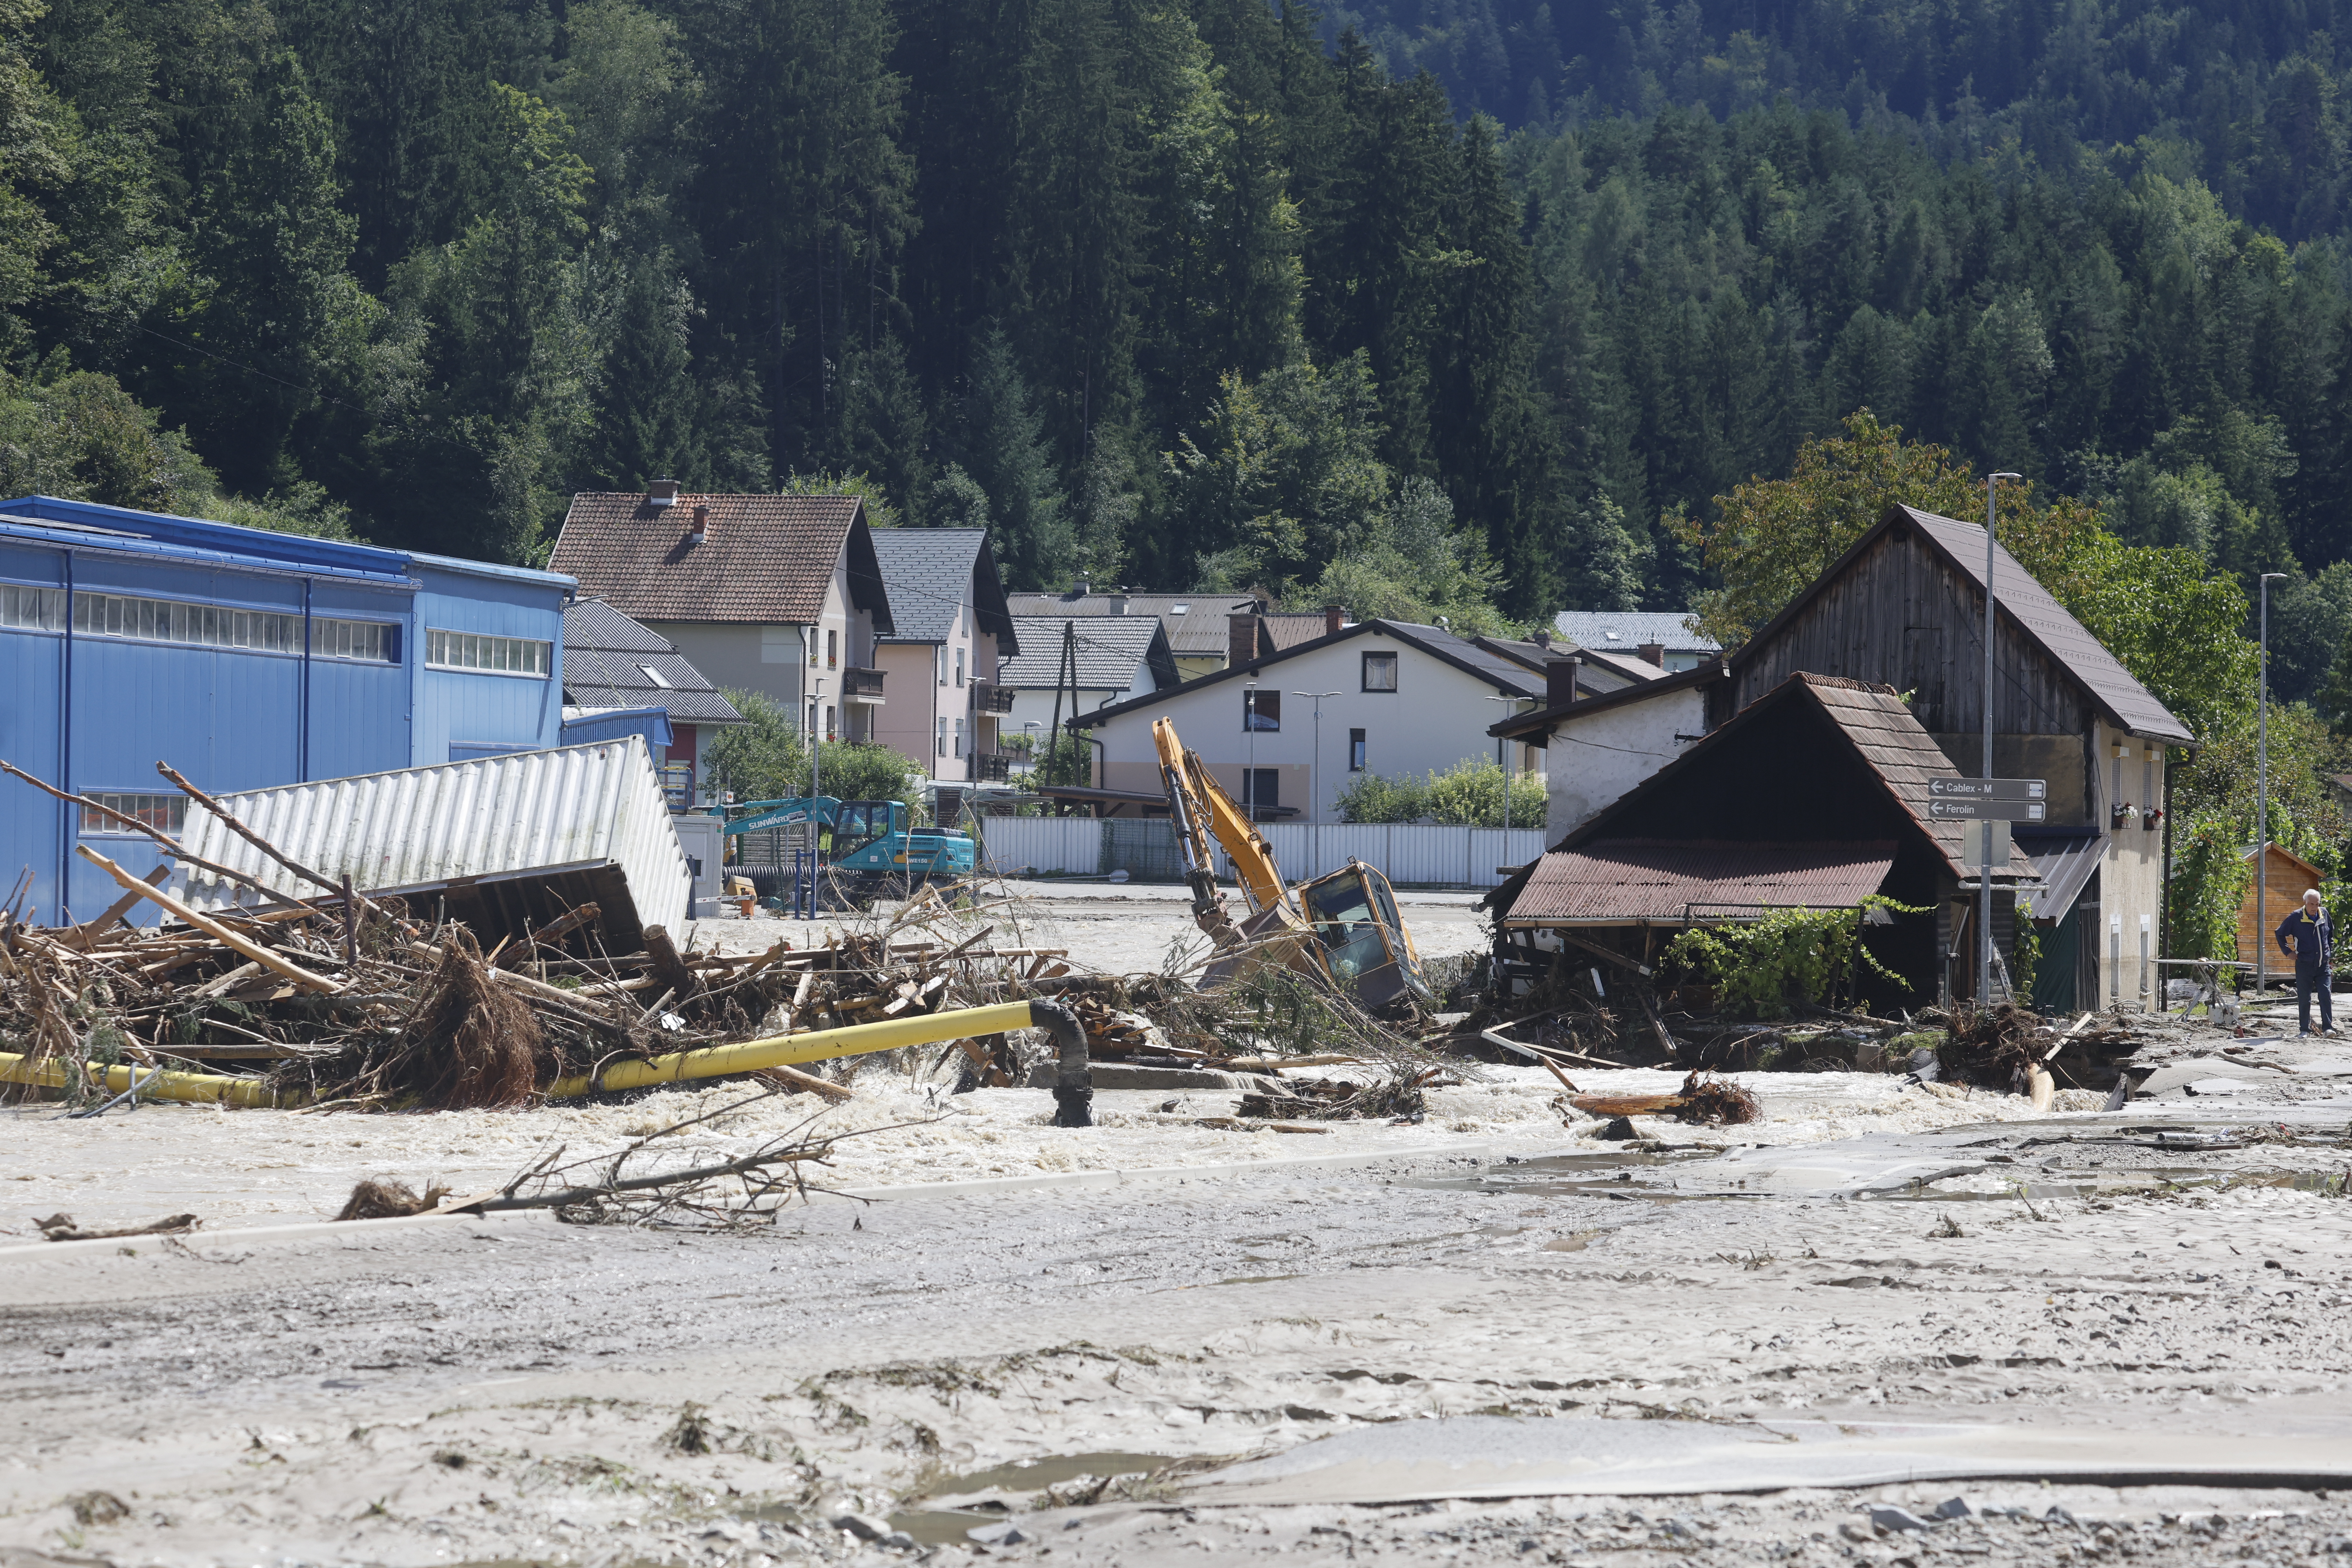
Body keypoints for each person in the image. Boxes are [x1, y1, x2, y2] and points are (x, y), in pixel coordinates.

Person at [2276, 888, 2336, 1036]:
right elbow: (2280, 933)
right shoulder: (2296, 917)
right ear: (2305, 903)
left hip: (2323, 965)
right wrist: (2288, 952)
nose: (2314, 908)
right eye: (2311, 904)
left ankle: (2328, 1028)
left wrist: (2329, 953)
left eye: (2317, 904)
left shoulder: (2324, 914)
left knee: (2325, 995)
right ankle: (2305, 1030)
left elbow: (2330, 935)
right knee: (2304, 997)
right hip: (2304, 965)